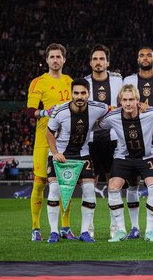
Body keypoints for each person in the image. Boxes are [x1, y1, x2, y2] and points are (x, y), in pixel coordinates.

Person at [96, 84, 153, 242]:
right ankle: (122, 230)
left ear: (138, 101)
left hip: (147, 157)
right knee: (113, 188)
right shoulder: (113, 117)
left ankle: (149, 231)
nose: (128, 103)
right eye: (124, 100)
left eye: (131, 99)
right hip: (123, 157)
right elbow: (95, 125)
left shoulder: (150, 113)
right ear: (120, 102)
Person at [45, 78, 110, 243]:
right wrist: (55, 152)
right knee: (54, 190)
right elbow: (49, 133)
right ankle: (53, 232)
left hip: (83, 154)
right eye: (76, 93)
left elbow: (114, 110)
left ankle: (84, 232)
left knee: (89, 190)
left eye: (83, 93)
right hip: (60, 155)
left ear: (88, 94)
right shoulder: (60, 111)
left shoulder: (99, 107)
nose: (79, 96)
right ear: (71, 94)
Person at [26, 43, 74, 242]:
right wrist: (45, 112)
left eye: (58, 57)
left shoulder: (70, 81)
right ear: (46, 60)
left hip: (65, 140)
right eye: (52, 57)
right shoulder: (38, 82)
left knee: (65, 184)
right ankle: (36, 227)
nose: (55, 60)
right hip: (43, 140)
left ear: (64, 59)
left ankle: (65, 227)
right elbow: (30, 111)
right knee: (40, 183)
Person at [123, 46, 153, 240]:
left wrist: (150, 110)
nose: (145, 58)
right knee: (132, 183)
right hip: (132, 138)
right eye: (141, 55)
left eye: (148, 55)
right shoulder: (128, 81)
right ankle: (134, 228)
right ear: (137, 58)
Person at [84, 44, 124, 239]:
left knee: (113, 183)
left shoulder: (118, 82)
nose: (98, 62)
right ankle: (88, 228)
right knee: (89, 184)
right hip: (89, 141)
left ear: (108, 62)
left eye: (101, 59)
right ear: (90, 62)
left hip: (113, 141)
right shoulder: (83, 83)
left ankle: (115, 227)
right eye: (95, 59)